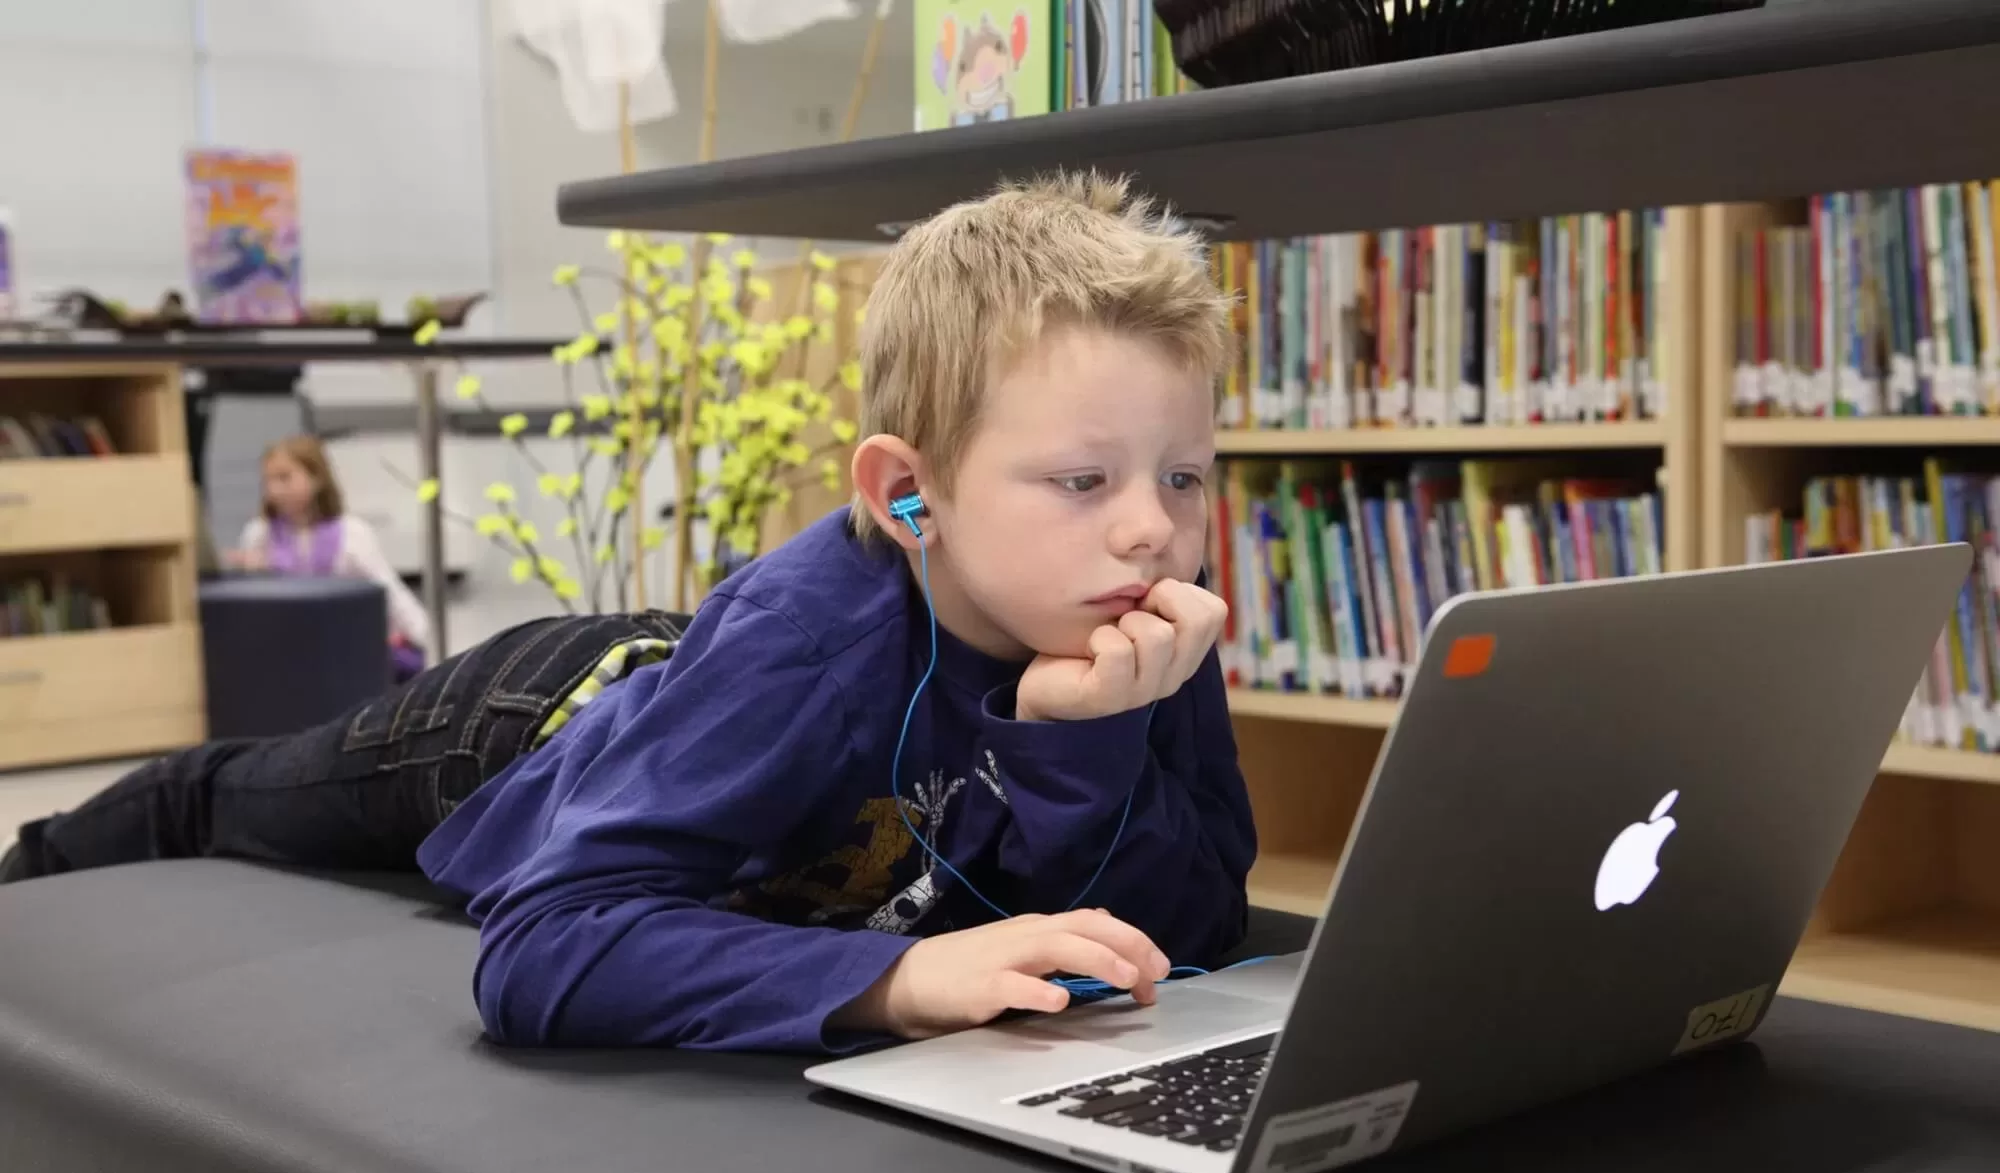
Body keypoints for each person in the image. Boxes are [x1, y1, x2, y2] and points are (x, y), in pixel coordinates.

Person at [1, 171, 1256, 1054]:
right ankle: (28, 868)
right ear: (905, 492)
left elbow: (1187, 929)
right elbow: (540, 947)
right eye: (1081, 480)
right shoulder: (807, 650)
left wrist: (1080, 740)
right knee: (230, 801)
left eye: (1184, 475)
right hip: (539, 721)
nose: (1150, 525)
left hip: (704, 704)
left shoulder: (1140, 620)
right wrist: (896, 980)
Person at [226, 433, 433, 679]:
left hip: (343, 652)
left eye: (285, 478)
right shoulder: (259, 534)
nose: (275, 489)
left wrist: (425, 639)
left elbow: (389, 591)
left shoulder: (352, 534)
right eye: (268, 481)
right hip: (282, 652)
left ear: (316, 479)